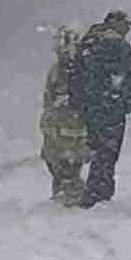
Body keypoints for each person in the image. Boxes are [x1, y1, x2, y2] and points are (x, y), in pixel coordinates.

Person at [70, 9, 131, 208]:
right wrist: (128, 103)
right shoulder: (118, 45)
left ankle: (90, 190)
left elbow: (75, 74)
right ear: (117, 23)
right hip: (111, 108)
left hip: (90, 107)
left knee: (95, 148)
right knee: (107, 152)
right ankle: (98, 194)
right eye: (126, 24)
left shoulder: (88, 41)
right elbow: (130, 77)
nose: (128, 29)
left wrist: (79, 102)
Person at [39, 26, 90, 206]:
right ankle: (65, 189)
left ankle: (70, 190)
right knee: (56, 157)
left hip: (71, 122)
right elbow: (48, 95)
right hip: (59, 122)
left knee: (69, 158)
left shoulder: (78, 68)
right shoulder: (57, 69)